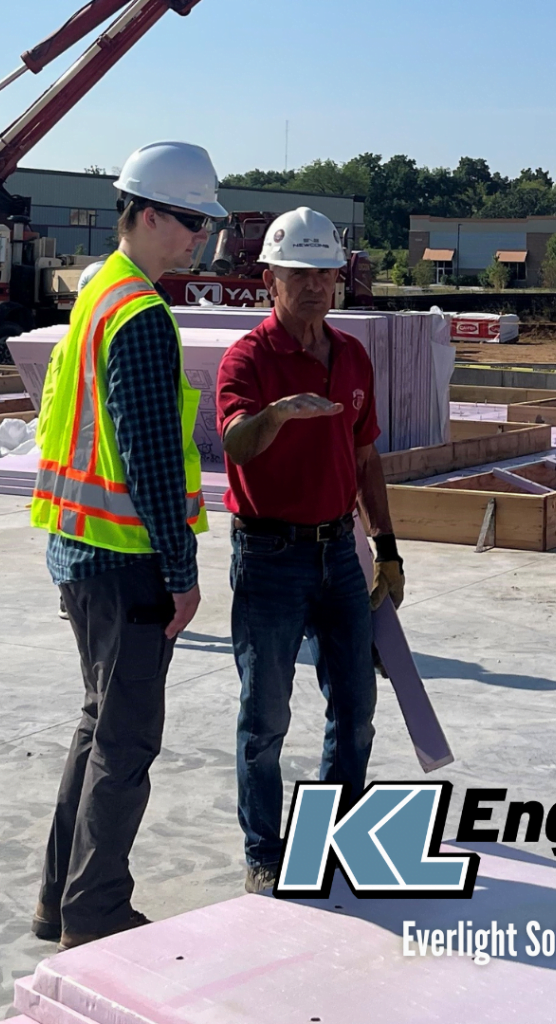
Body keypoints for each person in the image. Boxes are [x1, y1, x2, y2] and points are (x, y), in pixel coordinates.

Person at [30, 141, 226, 950]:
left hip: (78, 548)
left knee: (97, 724)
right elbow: (147, 457)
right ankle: (95, 911)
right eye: (188, 222)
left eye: (205, 225)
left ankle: (59, 900)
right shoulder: (141, 315)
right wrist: (182, 573)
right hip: (125, 561)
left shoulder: (99, 290)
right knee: (125, 739)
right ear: (144, 213)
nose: (198, 240)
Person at [215, 207, 403, 894]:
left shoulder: (352, 355)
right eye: (301, 274)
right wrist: (276, 414)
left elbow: (366, 456)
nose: (317, 287)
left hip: (339, 558)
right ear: (270, 278)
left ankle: (328, 838)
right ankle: (265, 851)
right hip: (269, 558)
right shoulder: (249, 358)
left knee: (354, 712)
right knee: (264, 716)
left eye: (327, 273)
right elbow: (235, 443)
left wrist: (387, 547)